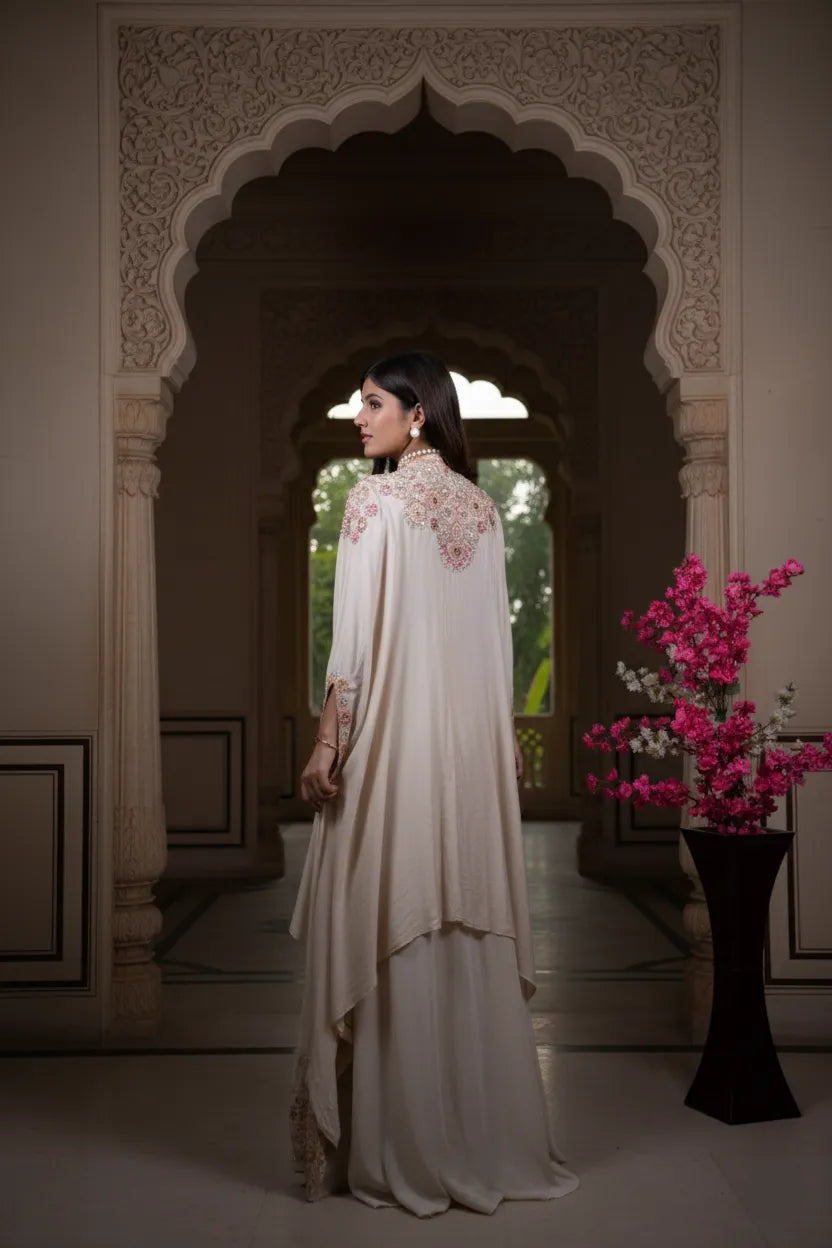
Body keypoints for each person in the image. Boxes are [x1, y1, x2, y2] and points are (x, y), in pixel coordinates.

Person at [288, 351, 579, 1216]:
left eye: (371, 403)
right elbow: (492, 653)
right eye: (357, 402)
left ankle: (397, 1147)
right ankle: (479, 1141)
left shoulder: (374, 500)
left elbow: (354, 650)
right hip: (468, 762)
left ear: (418, 415)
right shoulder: (484, 510)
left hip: (395, 753)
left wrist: (325, 746)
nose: (356, 415)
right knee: (453, 917)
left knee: (388, 914)